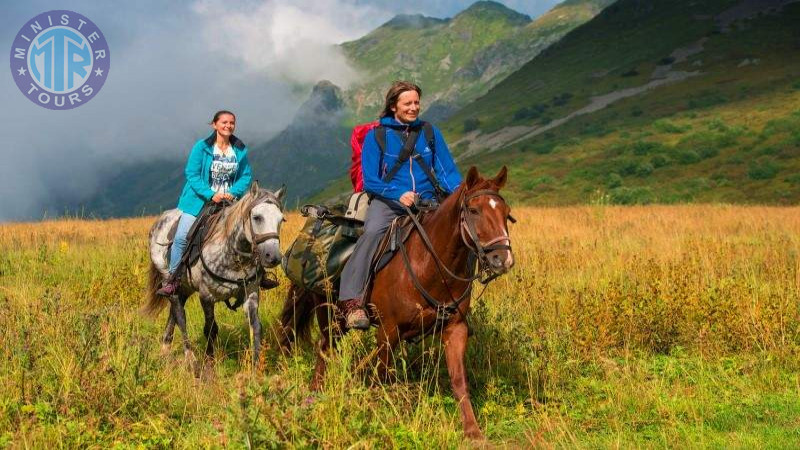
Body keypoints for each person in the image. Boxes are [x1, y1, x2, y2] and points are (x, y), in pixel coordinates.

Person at [339, 81, 462, 329]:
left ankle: (458, 302)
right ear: (394, 105)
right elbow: (371, 180)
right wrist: (397, 193)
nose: (414, 107)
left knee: (459, 233)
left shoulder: (430, 132)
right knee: (372, 233)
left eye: (417, 102)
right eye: (408, 103)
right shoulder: (377, 137)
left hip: (428, 202)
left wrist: (462, 194)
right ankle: (352, 302)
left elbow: (447, 171)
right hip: (388, 202)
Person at [156, 110, 253, 296]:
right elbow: (191, 174)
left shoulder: (239, 149)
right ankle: (173, 280)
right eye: (224, 122)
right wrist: (210, 194)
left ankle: (257, 275)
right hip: (199, 202)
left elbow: (245, 175)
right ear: (214, 125)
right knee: (182, 237)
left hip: (230, 203)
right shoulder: (202, 147)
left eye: (232, 123)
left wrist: (233, 193)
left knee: (251, 233)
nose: (228, 126)